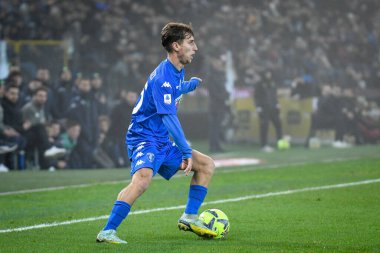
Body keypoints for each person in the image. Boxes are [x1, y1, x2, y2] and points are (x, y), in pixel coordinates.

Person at [96, 22, 216, 244]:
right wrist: (185, 150)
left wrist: (187, 86)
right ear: (176, 46)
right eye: (191, 42)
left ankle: (189, 216)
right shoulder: (163, 77)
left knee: (206, 165)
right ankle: (107, 231)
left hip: (160, 139)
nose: (196, 48)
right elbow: (168, 117)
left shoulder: (178, 70)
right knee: (142, 181)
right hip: (143, 137)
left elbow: (175, 90)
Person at [254, 70, 283, 152]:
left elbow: (274, 95)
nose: (268, 75)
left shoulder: (273, 84)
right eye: (267, 73)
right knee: (264, 126)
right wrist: (258, 106)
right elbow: (256, 96)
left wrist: (277, 103)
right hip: (264, 108)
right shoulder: (259, 84)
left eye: (269, 73)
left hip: (273, 108)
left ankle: (280, 143)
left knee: (278, 124)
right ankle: (264, 145)